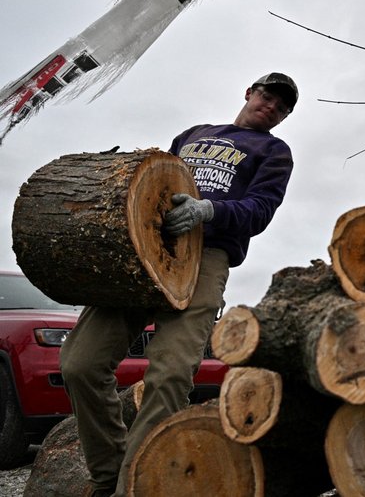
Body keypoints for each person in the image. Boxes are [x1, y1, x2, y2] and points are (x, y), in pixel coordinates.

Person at [60, 72, 297, 497]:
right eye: (267, 95)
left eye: (282, 107)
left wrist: (209, 210)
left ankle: (130, 486)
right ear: (248, 92)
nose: (272, 106)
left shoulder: (274, 152)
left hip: (206, 255)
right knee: (79, 363)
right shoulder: (193, 134)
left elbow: (260, 210)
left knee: (170, 373)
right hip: (147, 246)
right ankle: (106, 474)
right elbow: (157, 176)